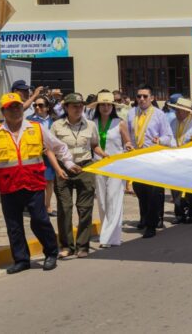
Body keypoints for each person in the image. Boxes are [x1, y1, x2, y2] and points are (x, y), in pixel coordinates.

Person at [0, 93, 79, 273]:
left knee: (40, 220)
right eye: (10, 107)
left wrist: (68, 163)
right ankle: (22, 259)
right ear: (3, 111)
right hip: (8, 187)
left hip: (33, 184)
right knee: (13, 225)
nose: (15, 110)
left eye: (17, 106)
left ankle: (51, 253)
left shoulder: (36, 128)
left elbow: (59, 147)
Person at [50, 93, 106, 259]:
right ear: (66, 107)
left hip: (85, 167)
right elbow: (49, 150)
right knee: (65, 208)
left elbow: (94, 145)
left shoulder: (90, 125)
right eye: (74, 106)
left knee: (85, 209)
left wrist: (104, 154)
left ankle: (83, 246)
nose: (78, 109)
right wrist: (57, 169)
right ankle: (67, 246)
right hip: (63, 169)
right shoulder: (56, 126)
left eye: (80, 105)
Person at [128, 84, 176, 238]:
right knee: (139, 190)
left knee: (153, 192)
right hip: (137, 158)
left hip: (153, 158)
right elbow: (127, 135)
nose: (141, 99)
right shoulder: (130, 114)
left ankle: (151, 224)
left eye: (145, 96)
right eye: (139, 96)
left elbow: (168, 137)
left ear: (152, 98)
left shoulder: (159, 114)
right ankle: (144, 217)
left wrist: (159, 139)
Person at [91, 91, 134, 248]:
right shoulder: (92, 123)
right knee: (102, 202)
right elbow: (92, 144)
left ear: (113, 106)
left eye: (109, 104)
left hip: (116, 166)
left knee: (113, 200)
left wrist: (129, 146)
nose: (106, 107)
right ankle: (108, 233)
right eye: (103, 104)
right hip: (99, 166)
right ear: (98, 106)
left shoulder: (119, 122)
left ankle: (109, 237)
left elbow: (127, 141)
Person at [26, 95, 58, 217]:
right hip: (35, 154)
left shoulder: (54, 120)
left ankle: (48, 206)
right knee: (36, 181)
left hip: (51, 154)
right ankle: (36, 206)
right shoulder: (30, 120)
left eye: (40, 105)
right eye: (35, 105)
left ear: (47, 108)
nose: (37, 107)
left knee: (49, 181)